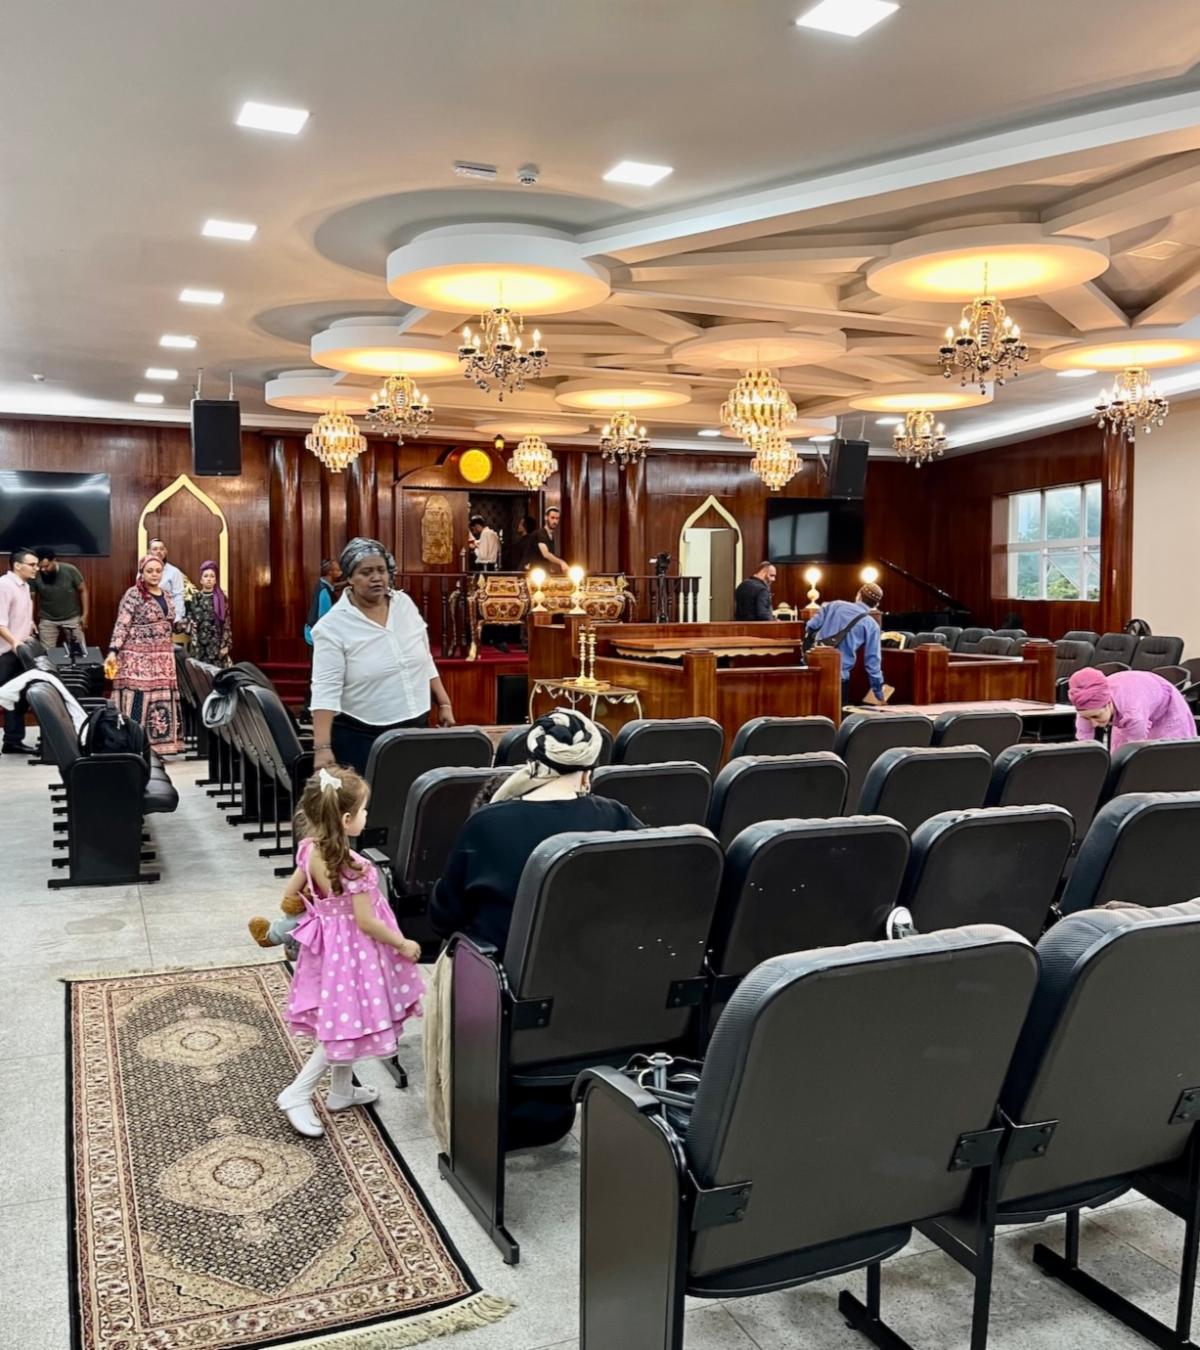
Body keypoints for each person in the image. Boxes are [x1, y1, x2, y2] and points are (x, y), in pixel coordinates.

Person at [424, 709, 642, 1149]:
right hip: (602, 998)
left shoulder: (488, 824)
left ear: (532, 760)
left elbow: (443, 915)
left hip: (508, 998)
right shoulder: (618, 818)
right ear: (590, 768)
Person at [276, 765, 424, 1137]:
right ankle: (297, 1092)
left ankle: (341, 1090)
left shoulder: (309, 849)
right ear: (345, 819)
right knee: (342, 1027)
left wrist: (321, 911)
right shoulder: (357, 868)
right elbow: (367, 922)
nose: (366, 815)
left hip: (327, 951)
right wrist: (402, 943)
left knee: (346, 1018)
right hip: (355, 955)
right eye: (363, 810)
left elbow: (291, 895)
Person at [310, 537, 455, 775]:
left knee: (415, 794)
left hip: (416, 728)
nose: (376, 578)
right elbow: (325, 691)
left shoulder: (404, 604)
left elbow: (424, 657)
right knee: (373, 799)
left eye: (381, 570)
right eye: (366, 572)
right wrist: (322, 748)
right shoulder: (332, 627)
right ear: (349, 578)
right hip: (362, 737)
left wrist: (444, 703)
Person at [104, 554, 184, 754]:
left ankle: (159, 747)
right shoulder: (133, 594)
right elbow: (122, 624)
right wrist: (113, 651)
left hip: (163, 659)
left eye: (158, 571)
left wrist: (183, 625)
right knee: (139, 699)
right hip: (137, 658)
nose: (154, 574)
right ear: (142, 572)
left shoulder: (167, 595)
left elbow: (169, 623)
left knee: (160, 698)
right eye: (150, 571)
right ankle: (135, 745)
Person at [1068, 667, 1197, 752]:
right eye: (1086, 718)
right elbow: (1085, 744)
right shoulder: (1087, 705)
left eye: (1096, 717)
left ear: (1109, 703)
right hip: (1129, 706)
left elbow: (1134, 753)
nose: (1094, 723)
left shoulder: (1133, 712)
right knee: (1117, 756)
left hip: (1166, 711)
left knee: (1167, 758)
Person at [806, 582, 886, 706]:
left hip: (813, 671)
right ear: (876, 604)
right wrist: (878, 693)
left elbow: (811, 626)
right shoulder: (872, 626)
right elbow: (872, 662)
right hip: (839, 678)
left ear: (859, 595)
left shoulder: (834, 605)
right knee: (837, 716)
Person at [0, 548, 38, 754]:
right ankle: (12, 740)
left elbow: (20, 614)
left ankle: (13, 741)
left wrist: (29, 626)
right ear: (17, 565)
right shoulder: (4, 585)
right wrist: (15, 642)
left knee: (19, 696)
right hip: (6, 653)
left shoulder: (24, 586)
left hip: (20, 650)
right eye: (32, 565)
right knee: (8, 696)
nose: (36, 568)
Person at [31, 549, 88, 650]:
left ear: (54, 560)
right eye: (40, 567)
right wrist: (30, 620)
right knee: (47, 654)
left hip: (71, 617)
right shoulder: (35, 574)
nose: (43, 570)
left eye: (46, 566)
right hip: (47, 619)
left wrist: (85, 615)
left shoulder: (70, 570)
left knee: (79, 651)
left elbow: (83, 590)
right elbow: (31, 599)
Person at [185, 559, 231, 666]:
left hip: (216, 644)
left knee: (216, 673)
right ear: (201, 580)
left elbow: (226, 623)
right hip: (198, 644)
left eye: (212, 576)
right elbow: (190, 618)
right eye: (206, 576)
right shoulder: (196, 597)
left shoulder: (221, 598)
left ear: (215, 580)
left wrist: (225, 645)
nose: (209, 579)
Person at [147, 537, 186, 623]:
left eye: (161, 549)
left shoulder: (174, 572)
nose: (158, 551)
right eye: (155, 549)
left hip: (167, 617)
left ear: (165, 551)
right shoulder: (142, 572)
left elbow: (178, 596)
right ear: (149, 552)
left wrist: (177, 618)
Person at [304, 558, 341, 646]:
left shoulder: (323, 583)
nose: (341, 573)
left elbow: (334, 587)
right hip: (317, 635)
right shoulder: (324, 591)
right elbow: (325, 618)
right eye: (338, 570)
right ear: (330, 572)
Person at [519, 508, 567, 573]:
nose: (555, 521)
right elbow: (545, 554)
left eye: (557, 518)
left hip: (538, 572)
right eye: (552, 518)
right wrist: (562, 562)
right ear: (546, 518)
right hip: (527, 572)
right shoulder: (540, 533)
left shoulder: (550, 536)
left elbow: (544, 558)